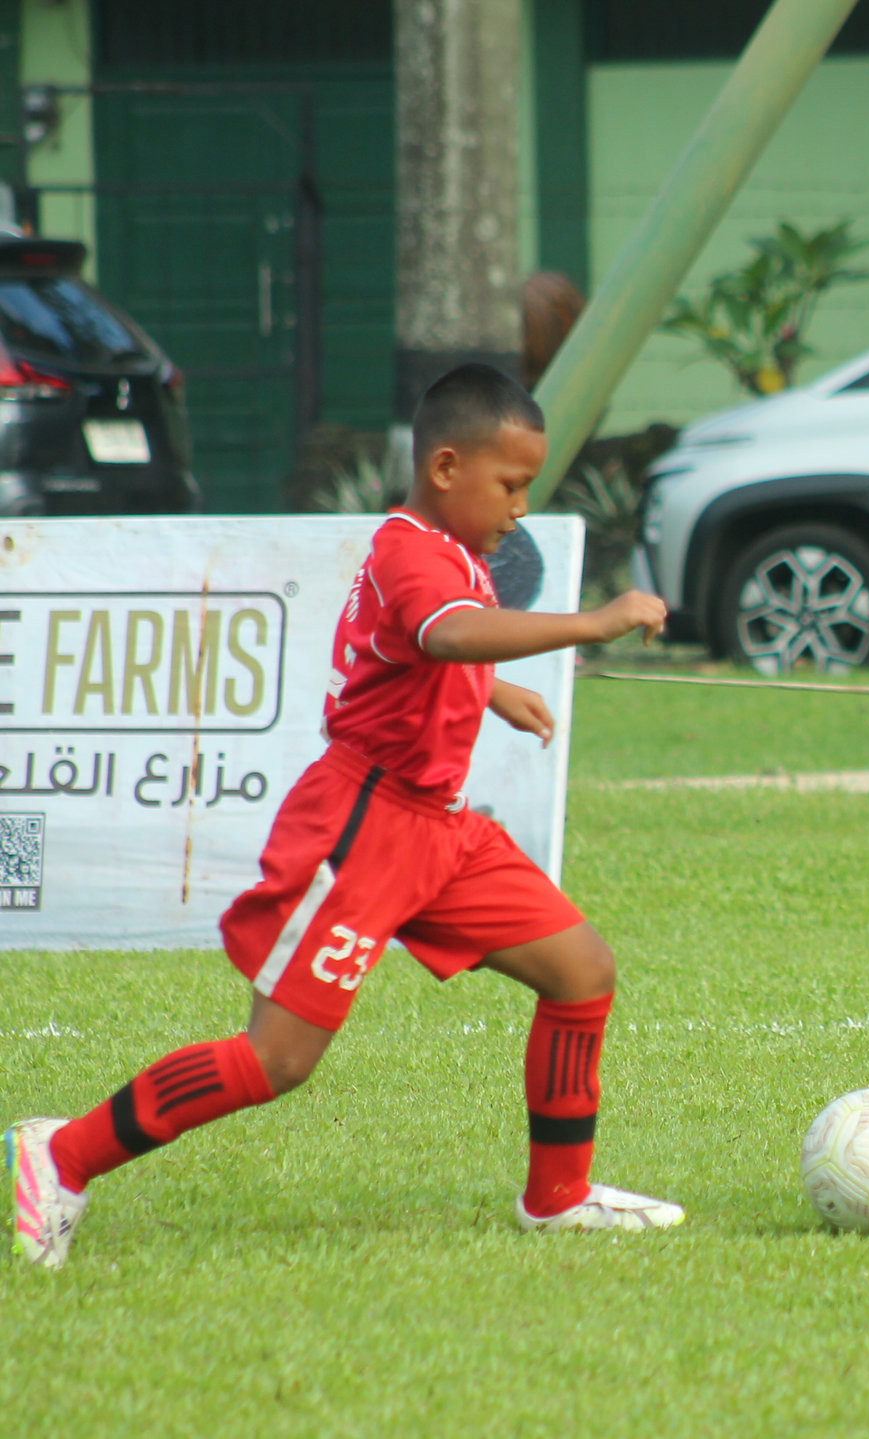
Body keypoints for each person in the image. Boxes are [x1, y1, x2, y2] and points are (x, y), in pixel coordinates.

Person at [8, 363, 683, 1270]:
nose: (520, 507)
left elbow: (409, 655)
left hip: (440, 829)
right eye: (512, 484)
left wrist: (496, 692)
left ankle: (557, 1198)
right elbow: (443, 632)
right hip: (362, 829)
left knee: (581, 971)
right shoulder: (415, 549)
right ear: (447, 467)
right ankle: (63, 1154)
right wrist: (592, 621)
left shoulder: (450, 550)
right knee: (276, 1061)